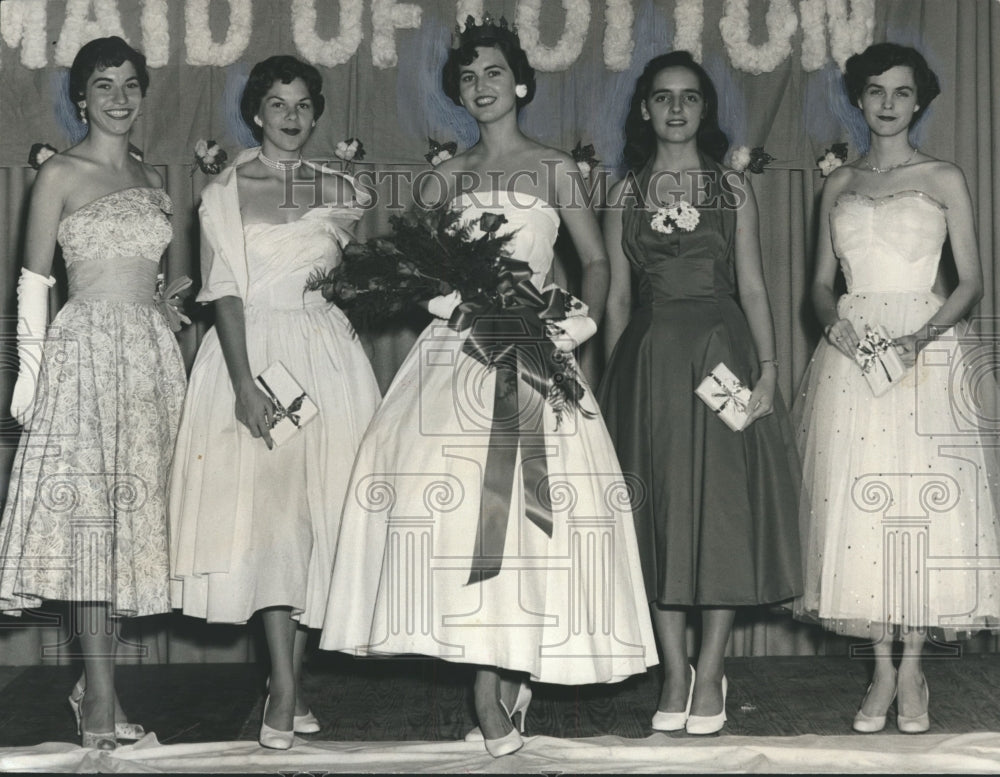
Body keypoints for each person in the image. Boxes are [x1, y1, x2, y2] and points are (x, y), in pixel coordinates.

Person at [318, 16, 656, 758]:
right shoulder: (445, 176)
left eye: (494, 73)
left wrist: (576, 324)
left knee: (530, 522)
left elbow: (595, 261)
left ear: (522, 82)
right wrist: (449, 302)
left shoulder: (556, 169)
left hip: (532, 351)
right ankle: (481, 678)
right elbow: (409, 268)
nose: (481, 87)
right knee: (457, 514)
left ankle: (512, 662)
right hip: (458, 358)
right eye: (469, 77)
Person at [167, 55, 380, 750]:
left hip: (326, 358)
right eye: (277, 105)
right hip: (255, 357)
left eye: (301, 105)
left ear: (315, 113)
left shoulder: (343, 190)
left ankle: (292, 674)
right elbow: (223, 291)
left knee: (324, 516)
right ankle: (284, 687)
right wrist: (243, 383)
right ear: (256, 113)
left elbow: (353, 279)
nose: (290, 117)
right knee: (273, 524)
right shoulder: (226, 191)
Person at [794, 42, 1000, 734]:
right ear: (859, 99)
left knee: (916, 504)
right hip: (853, 354)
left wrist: (921, 337)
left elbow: (970, 280)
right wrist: (835, 326)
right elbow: (820, 287)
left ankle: (914, 665)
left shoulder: (943, 176)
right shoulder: (838, 184)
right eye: (876, 91)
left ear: (920, 101)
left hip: (925, 347)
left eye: (902, 92)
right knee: (863, 511)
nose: (887, 103)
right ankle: (880, 665)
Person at [598, 51, 802, 736]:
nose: (676, 109)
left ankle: (712, 668)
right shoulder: (624, 192)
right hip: (649, 366)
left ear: (704, 108)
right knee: (653, 513)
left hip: (722, 354)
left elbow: (751, 285)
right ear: (646, 109)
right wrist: (609, 384)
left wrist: (769, 369)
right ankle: (674, 667)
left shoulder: (731, 189)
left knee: (719, 510)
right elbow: (619, 297)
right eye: (663, 97)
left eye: (689, 97)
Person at [0, 37, 186, 750]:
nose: (118, 96)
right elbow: (34, 283)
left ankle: (94, 684)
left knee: (130, 530)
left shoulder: (151, 178)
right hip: (81, 359)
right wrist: (30, 377)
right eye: (103, 85)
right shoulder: (60, 174)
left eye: (130, 84)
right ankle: (102, 697)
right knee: (89, 533)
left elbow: (148, 277)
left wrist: (166, 311)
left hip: (146, 361)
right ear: (81, 97)